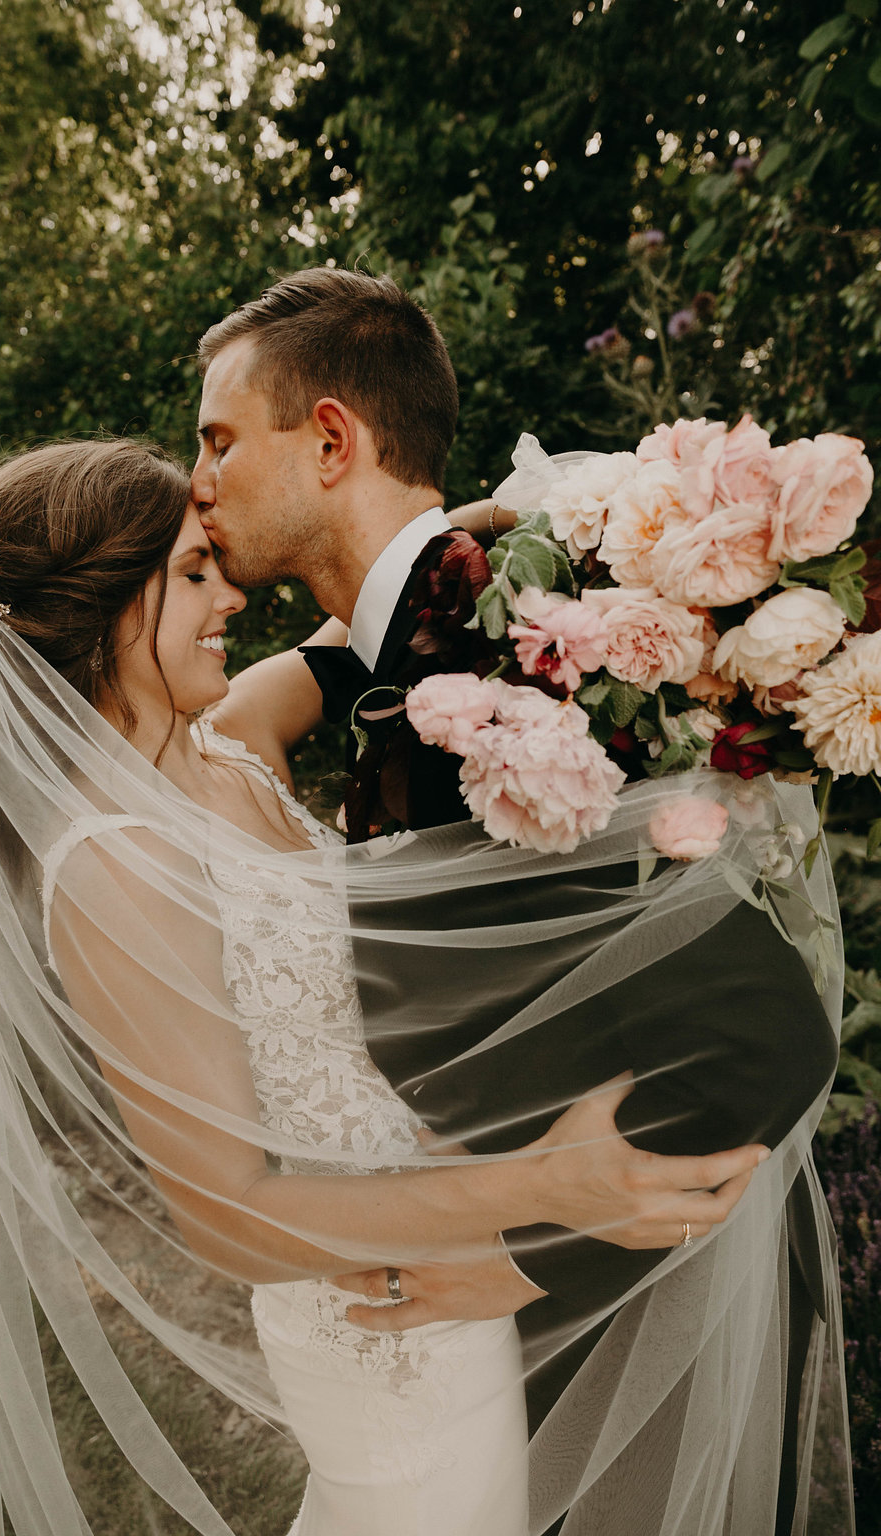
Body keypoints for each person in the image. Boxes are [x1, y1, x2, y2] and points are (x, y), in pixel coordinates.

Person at [0, 437, 766, 1536]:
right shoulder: (110, 863)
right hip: (380, 1326)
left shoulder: (237, 741)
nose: (232, 596)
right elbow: (230, 1218)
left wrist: (595, 517)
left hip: (459, 1268)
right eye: (193, 574)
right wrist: (546, 1189)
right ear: (109, 609)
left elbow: (382, 595)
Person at [191, 267, 855, 1534]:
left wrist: (524, 1252)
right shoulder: (424, 630)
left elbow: (764, 1035)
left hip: (639, 1331)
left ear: (330, 439)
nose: (197, 480)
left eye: (220, 440)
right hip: (534, 1353)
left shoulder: (520, 658)